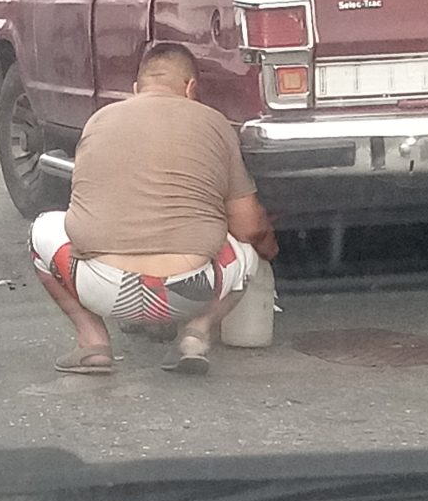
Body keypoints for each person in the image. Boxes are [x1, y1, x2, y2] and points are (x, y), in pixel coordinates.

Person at [29, 42, 279, 375]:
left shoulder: (99, 120)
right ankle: (197, 334)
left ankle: (92, 342)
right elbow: (249, 226)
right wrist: (269, 249)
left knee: (42, 227)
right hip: (191, 290)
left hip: (103, 289)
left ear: (136, 89)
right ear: (190, 88)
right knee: (246, 249)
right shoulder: (215, 123)